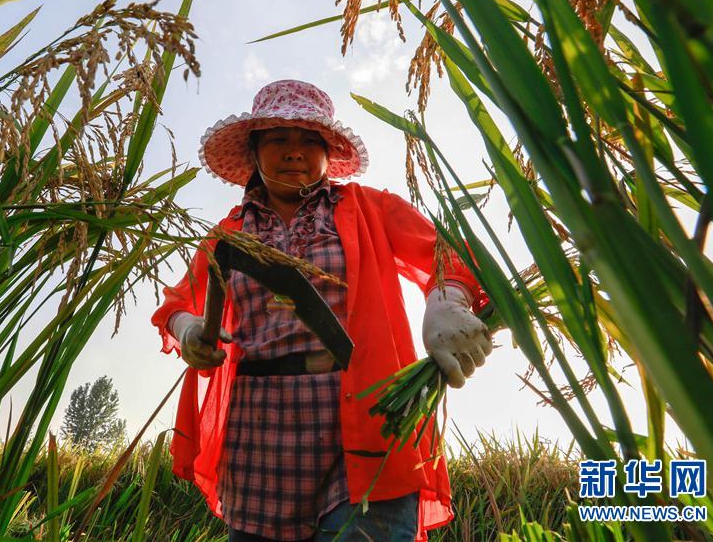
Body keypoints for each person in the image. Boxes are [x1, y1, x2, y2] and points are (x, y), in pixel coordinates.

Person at [150, 79, 492, 541]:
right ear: (254, 153)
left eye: (309, 140)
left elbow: (448, 256)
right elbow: (178, 304)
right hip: (258, 437)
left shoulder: (369, 209)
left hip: (369, 424)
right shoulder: (227, 235)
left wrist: (446, 301)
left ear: (329, 154)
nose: (294, 152)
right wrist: (190, 330)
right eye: (278, 139)